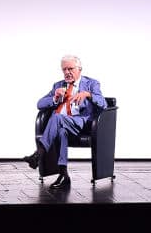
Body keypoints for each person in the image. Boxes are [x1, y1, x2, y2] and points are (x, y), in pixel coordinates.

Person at [21, 54, 105, 190]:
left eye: (70, 69)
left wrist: (87, 94)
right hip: (61, 125)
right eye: (64, 69)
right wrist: (55, 98)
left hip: (80, 124)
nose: (67, 72)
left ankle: (38, 155)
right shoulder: (58, 85)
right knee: (61, 132)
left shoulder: (91, 84)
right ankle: (64, 175)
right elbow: (40, 104)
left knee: (57, 117)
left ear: (79, 69)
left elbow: (103, 104)